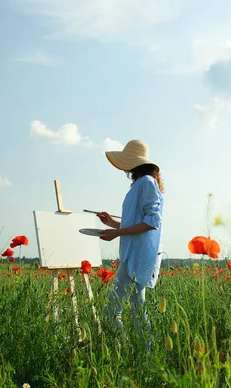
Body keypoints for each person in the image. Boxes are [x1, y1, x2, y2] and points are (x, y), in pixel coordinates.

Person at [97, 139, 164, 339]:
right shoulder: (141, 184)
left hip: (139, 253)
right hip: (134, 252)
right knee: (136, 306)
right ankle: (143, 353)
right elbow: (137, 223)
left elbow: (152, 222)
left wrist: (116, 233)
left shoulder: (146, 183)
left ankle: (121, 346)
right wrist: (111, 223)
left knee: (114, 306)